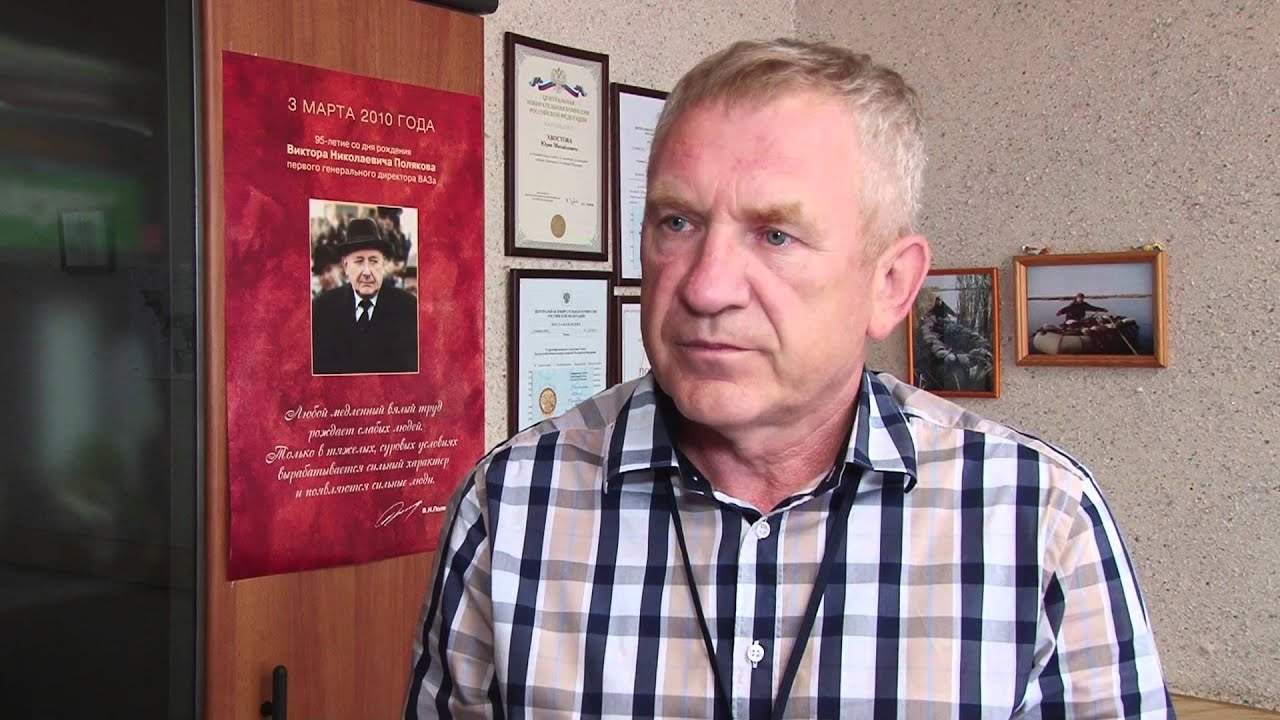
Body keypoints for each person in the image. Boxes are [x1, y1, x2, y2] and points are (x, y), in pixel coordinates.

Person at [406, 39, 1171, 718]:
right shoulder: (510, 505)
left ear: (890, 286)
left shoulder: (1041, 522)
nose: (706, 287)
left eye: (775, 234)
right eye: (677, 222)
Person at [311, 217, 418, 375]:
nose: (367, 272)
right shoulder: (322, 309)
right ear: (346, 266)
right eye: (359, 261)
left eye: (373, 261)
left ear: (383, 264)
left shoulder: (408, 309)